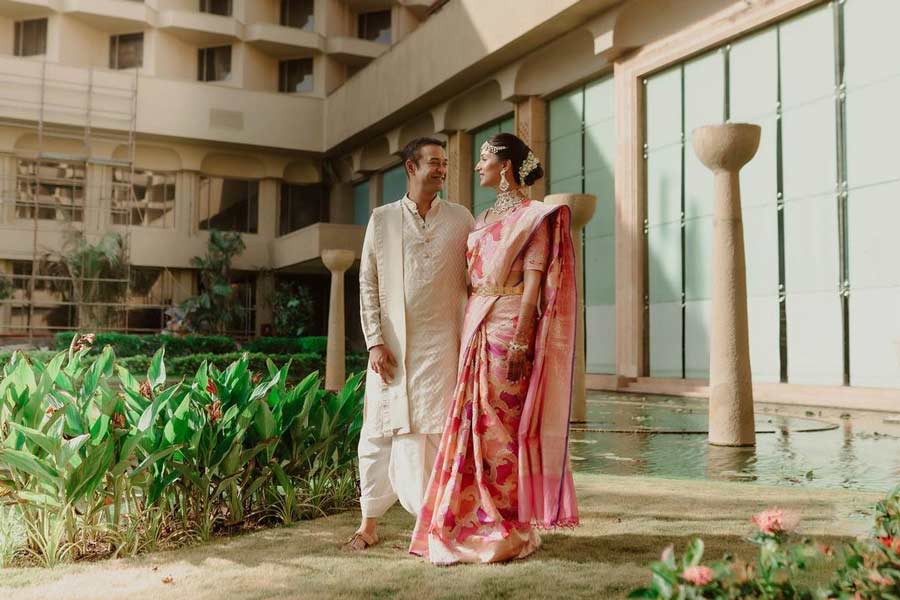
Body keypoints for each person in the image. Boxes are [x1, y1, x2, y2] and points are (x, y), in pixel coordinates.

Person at [409, 132, 579, 565]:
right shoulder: (481, 218)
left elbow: (534, 286)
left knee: (501, 427)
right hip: (474, 324)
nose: (477, 165)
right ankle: (469, 516)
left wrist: (522, 338)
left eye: (484, 158)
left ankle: (507, 520)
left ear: (505, 167)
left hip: (507, 327)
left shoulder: (533, 217)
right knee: (472, 425)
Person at [344, 137, 475, 551]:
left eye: (445, 163)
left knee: (435, 431)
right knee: (379, 431)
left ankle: (435, 520)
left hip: (444, 344)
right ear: (411, 167)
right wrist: (374, 342)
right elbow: (368, 281)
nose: (442, 169)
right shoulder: (382, 219)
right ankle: (368, 525)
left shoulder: (461, 218)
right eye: (434, 162)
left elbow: (480, 272)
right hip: (393, 348)